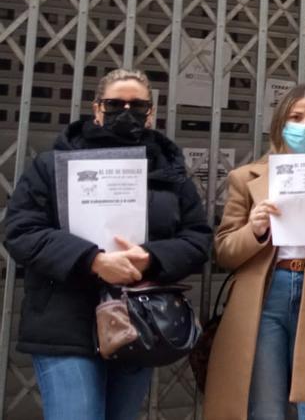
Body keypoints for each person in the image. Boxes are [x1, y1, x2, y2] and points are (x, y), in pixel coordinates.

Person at [4, 68, 211, 420]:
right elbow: (21, 230)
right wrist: (92, 260)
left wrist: (151, 258)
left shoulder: (168, 173)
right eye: (116, 104)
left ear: (151, 113)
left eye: (137, 105)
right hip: (64, 323)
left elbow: (198, 238)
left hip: (139, 325)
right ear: (97, 108)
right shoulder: (51, 166)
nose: (126, 112)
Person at [205, 83, 305, 420]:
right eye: (296, 117)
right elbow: (225, 251)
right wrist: (255, 230)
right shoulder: (243, 178)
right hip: (266, 296)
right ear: (280, 122)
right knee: (266, 406)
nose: (304, 127)